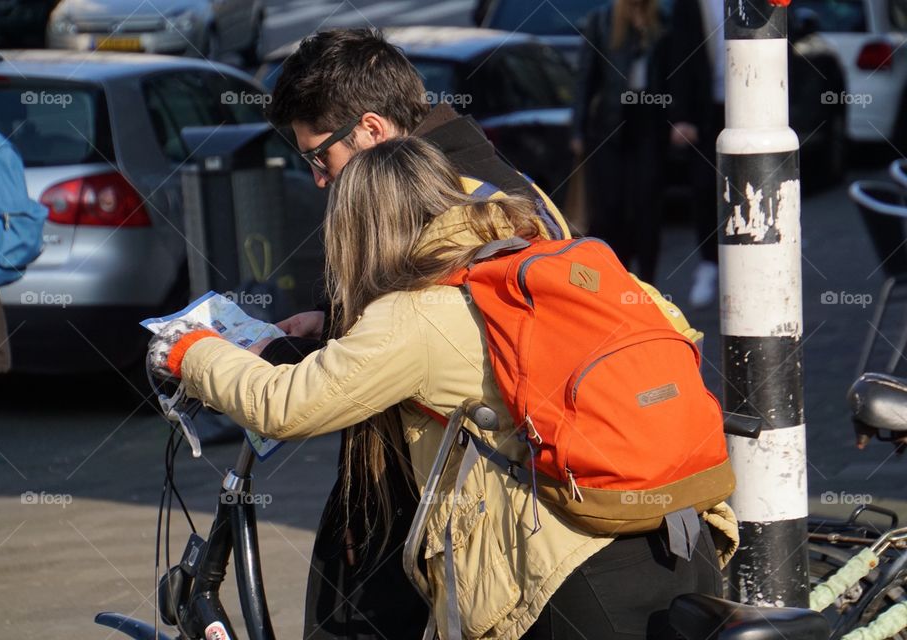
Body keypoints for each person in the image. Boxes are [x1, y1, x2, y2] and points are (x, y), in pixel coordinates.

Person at [148, 137, 739, 640]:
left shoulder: (417, 313)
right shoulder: (565, 261)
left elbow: (283, 405)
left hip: (568, 576)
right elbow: (680, 333)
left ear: (359, 233)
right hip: (683, 538)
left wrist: (189, 350)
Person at [260, 27, 705, 640]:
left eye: (319, 156)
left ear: (369, 130)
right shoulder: (488, 178)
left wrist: (209, 356)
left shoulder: (448, 201)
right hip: (460, 482)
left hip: (461, 489)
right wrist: (332, 322)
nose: (318, 179)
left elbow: (434, 332)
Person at [570, 0, 670, 284]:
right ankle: (617, 276)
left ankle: (648, 279)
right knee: (609, 208)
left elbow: (668, 73)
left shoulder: (659, 21)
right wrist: (577, 130)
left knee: (646, 207)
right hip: (610, 126)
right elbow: (585, 79)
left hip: (649, 123)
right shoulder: (603, 21)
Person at [667, 0, 726, 308]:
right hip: (706, 109)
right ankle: (709, 263)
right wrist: (681, 115)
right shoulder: (690, 4)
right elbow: (680, 53)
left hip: (751, 105)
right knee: (705, 188)